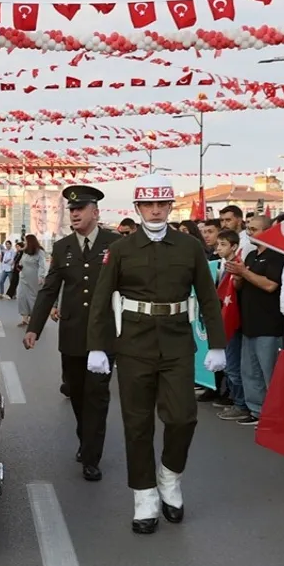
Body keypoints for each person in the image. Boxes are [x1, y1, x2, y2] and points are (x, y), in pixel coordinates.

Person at [86, 177, 226, 534]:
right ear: (138, 208)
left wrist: (218, 344)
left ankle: (169, 474)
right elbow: (102, 299)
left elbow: (208, 297)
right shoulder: (121, 249)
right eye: (148, 205)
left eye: (162, 204)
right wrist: (97, 347)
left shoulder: (189, 246)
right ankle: (144, 495)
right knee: (137, 423)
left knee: (182, 418)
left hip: (178, 341)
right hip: (133, 342)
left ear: (170, 206)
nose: (155, 210)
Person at [24, 185, 121, 482]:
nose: (74, 214)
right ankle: (85, 438)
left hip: (103, 335)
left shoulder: (115, 244)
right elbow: (50, 288)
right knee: (77, 394)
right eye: (71, 210)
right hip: (73, 334)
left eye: (80, 209)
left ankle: (92, 456)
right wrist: (34, 327)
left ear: (95, 212)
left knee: (97, 395)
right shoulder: (63, 246)